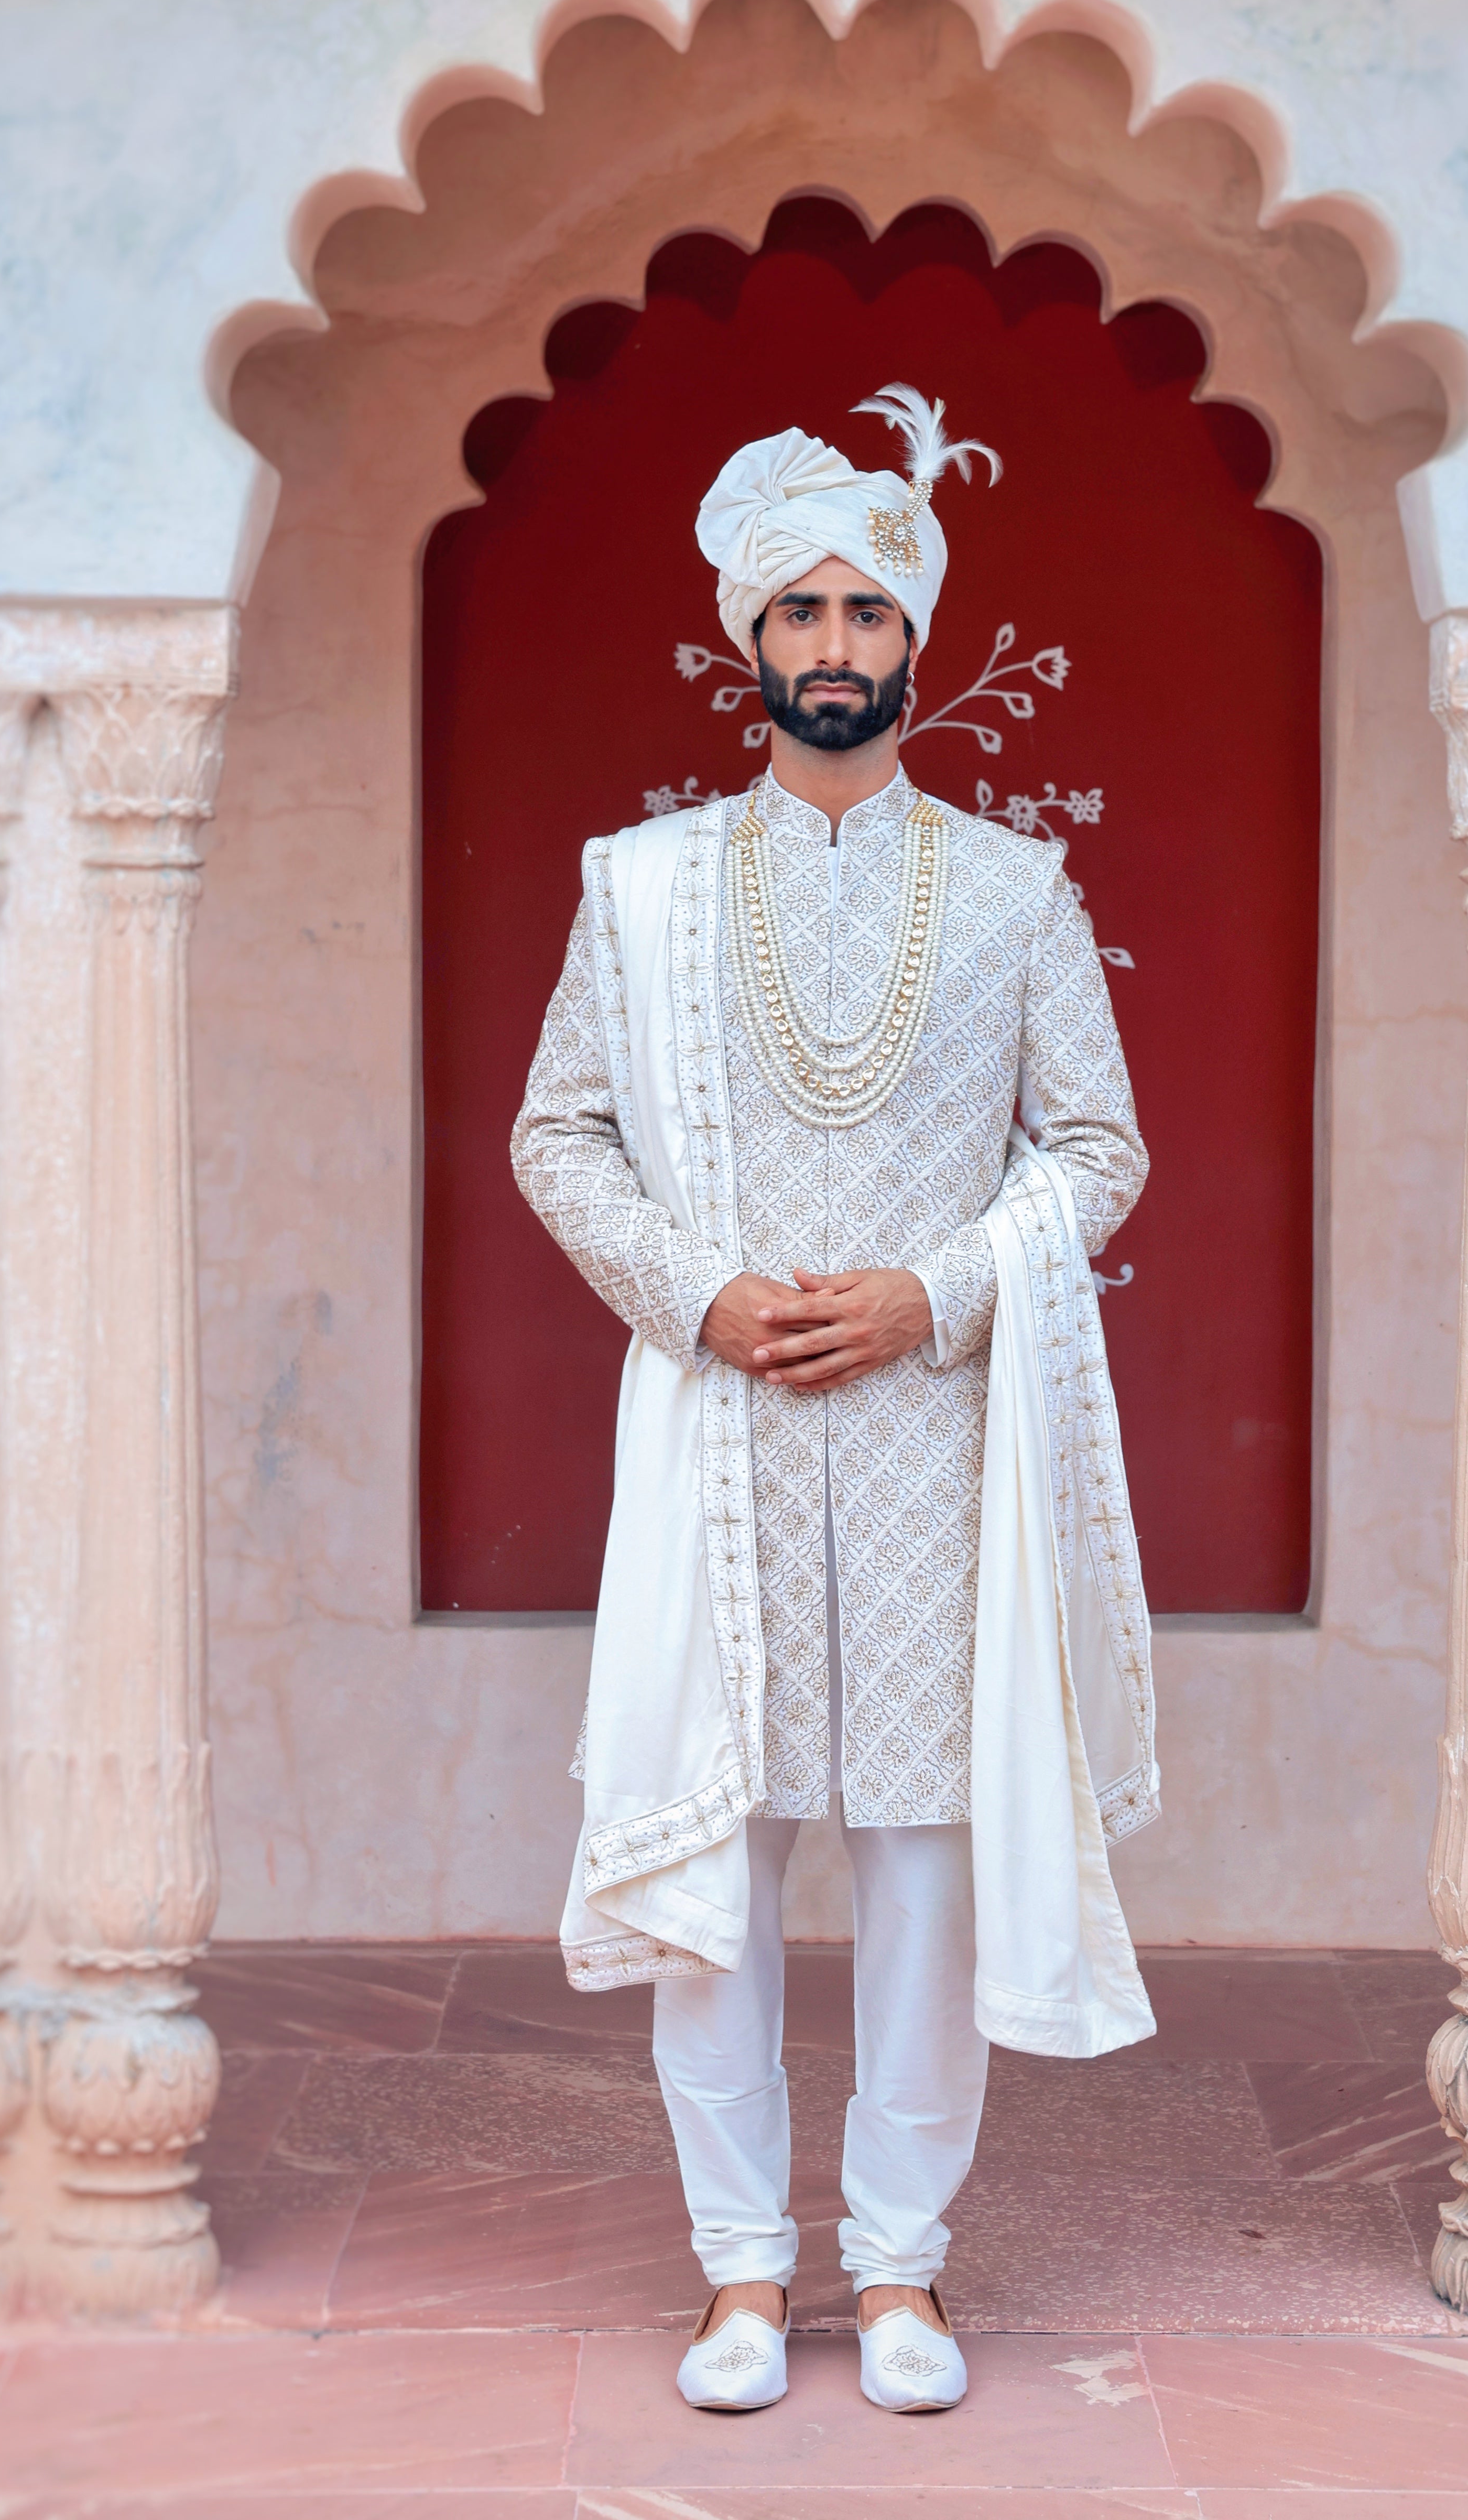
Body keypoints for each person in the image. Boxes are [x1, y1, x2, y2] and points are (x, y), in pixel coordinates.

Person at [512, 384, 1159, 2416]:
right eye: (795, 611)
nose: (831, 646)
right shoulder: (641, 889)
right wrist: (701, 1296)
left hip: (929, 1453)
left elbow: (1096, 1151)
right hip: (713, 1434)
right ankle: (735, 2275)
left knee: (921, 1867)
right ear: (745, 640)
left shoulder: (1017, 894)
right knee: (719, 1863)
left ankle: (897, 2275)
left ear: (916, 642)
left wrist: (936, 1293)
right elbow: (561, 1136)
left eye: (864, 612)